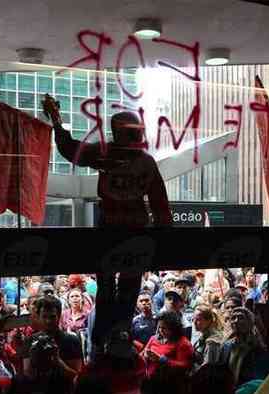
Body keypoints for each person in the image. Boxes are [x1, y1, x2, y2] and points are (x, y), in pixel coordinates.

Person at [42, 95, 172, 354]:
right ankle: (116, 334)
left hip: (112, 225)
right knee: (124, 283)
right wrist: (162, 241)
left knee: (109, 282)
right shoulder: (142, 161)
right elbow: (160, 205)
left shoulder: (106, 154)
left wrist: (57, 122)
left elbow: (70, 150)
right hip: (132, 227)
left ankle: (106, 336)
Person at [22, 296, 83, 379]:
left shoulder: (71, 341)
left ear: (59, 316)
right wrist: (34, 357)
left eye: (52, 317)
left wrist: (57, 360)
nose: (48, 321)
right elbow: (28, 375)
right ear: (38, 317)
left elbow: (77, 376)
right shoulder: (30, 341)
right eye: (44, 317)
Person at [222, 307, 266, 386]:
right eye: (233, 318)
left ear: (249, 322)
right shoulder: (226, 346)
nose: (236, 321)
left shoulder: (257, 347)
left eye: (241, 317)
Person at [191, 305, 225, 374]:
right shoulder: (202, 334)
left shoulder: (212, 342)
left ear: (208, 321)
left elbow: (207, 369)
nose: (194, 322)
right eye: (193, 319)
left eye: (198, 319)